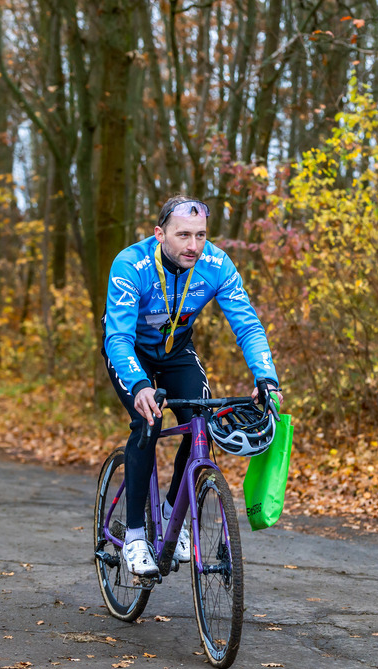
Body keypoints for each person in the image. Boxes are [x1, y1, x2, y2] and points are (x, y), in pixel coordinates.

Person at [102, 195, 282, 576]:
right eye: (183, 235)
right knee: (149, 422)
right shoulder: (130, 265)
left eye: (200, 235)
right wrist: (139, 387)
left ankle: (172, 510)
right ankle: (135, 535)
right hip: (131, 351)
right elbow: (116, 338)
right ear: (159, 234)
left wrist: (266, 378)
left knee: (201, 418)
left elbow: (247, 325)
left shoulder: (216, 264)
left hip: (177, 350)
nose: (193, 246)